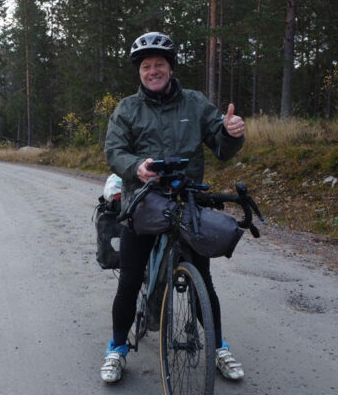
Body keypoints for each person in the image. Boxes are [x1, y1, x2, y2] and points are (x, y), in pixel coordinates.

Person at [100, 31, 246, 384]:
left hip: (187, 201)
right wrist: (136, 166)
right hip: (144, 201)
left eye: (159, 65)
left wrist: (231, 132)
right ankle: (117, 348)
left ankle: (218, 346)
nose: (153, 71)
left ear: (170, 68)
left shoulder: (194, 103)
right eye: (147, 66)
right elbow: (114, 151)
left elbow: (222, 148)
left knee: (204, 282)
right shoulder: (127, 109)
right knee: (130, 281)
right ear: (140, 71)